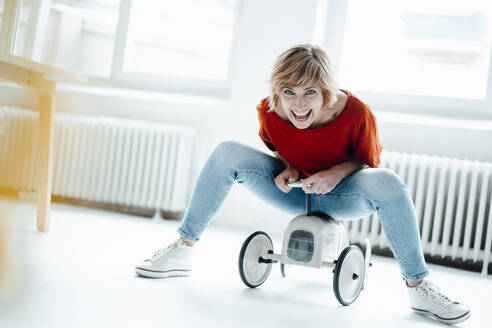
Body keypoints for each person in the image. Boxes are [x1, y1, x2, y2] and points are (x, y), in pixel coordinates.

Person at [135, 44, 470, 325]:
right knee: (226, 153)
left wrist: (335, 174)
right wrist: (288, 167)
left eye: (310, 93)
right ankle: (182, 250)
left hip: (342, 195)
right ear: (278, 92)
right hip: (296, 194)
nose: (298, 105)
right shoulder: (270, 111)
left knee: (389, 183)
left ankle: (419, 286)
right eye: (289, 93)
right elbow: (278, 145)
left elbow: (367, 162)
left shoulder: (355, 113)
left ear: (326, 92)